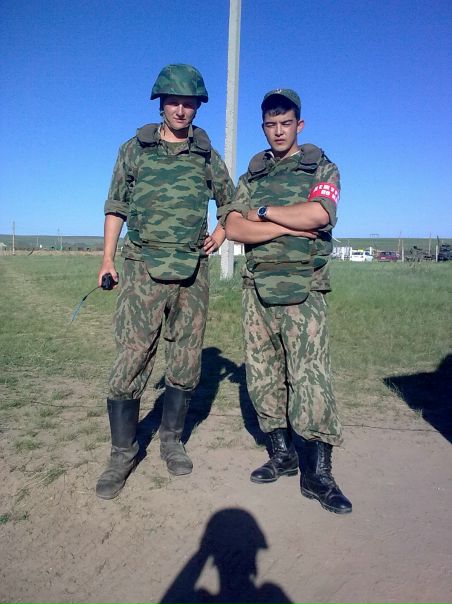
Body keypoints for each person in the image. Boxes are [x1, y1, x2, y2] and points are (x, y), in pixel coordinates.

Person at [96, 64, 234, 500]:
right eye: (173, 102)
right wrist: (107, 258)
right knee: (132, 357)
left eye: (188, 103)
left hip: (192, 271)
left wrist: (221, 233)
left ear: (197, 107)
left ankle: (172, 441)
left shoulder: (206, 155)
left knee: (186, 358)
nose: (180, 110)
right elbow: (116, 205)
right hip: (142, 268)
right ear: (161, 103)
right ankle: (122, 452)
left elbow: (232, 202)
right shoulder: (134, 149)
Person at [225, 89, 352, 514]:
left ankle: (318, 474)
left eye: (286, 123)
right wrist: (284, 223)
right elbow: (235, 228)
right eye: (270, 125)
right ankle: (282, 454)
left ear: (299, 125)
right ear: (263, 128)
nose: (278, 131)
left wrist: (263, 213)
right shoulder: (252, 176)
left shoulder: (321, 167)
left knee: (310, 377)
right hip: (257, 288)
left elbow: (319, 215)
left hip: (305, 289)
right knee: (263, 373)